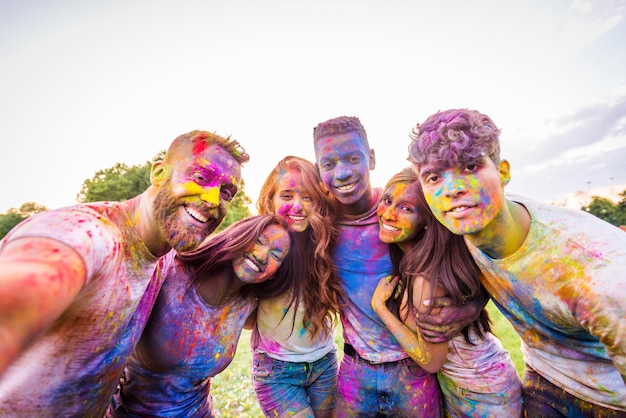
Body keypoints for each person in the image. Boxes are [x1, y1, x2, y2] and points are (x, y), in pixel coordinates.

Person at [0, 130, 249, 416]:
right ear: (159, 173)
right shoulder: (86, 238)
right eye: (200, 178)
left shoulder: (164, 256)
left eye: (227, 192)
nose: (212, 199)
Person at [408, 108, 626, 416]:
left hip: (614, 400)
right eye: (434, 177)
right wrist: (473, 303)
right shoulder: (461, 227)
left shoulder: (597, 271)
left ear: (504, 172)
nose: (452, 188)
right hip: (544, 382)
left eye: (470, 166)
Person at [313, 116, 444, 417]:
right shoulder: (320, 226)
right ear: (319, 170)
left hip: (412, 371)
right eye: (329, 163)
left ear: (371, 158)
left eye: (353, 158)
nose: (343, 172)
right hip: (355, 369)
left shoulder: (397, 215)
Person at [371, 167, 522, 417]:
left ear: (429, 222)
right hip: (470, 383)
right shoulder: (424, 260)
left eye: (406, 208)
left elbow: (432, 361)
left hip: (481, 391)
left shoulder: (425, 279)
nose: (388, 213)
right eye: (387, 201)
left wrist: (381, 309)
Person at [108, 214, 293, 417]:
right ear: (240, 234)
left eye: (276, 255)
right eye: (259, 241)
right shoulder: (169, 273)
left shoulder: (249, 306)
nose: (261, 255)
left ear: (275, 273)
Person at [250, 156, 345, 418]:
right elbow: (246, 320)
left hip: (324, 363)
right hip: (277, 371)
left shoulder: (326, 247)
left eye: (307, 197)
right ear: (271, 200)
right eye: (287, 196)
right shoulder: (258, 248)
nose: (298, 206)